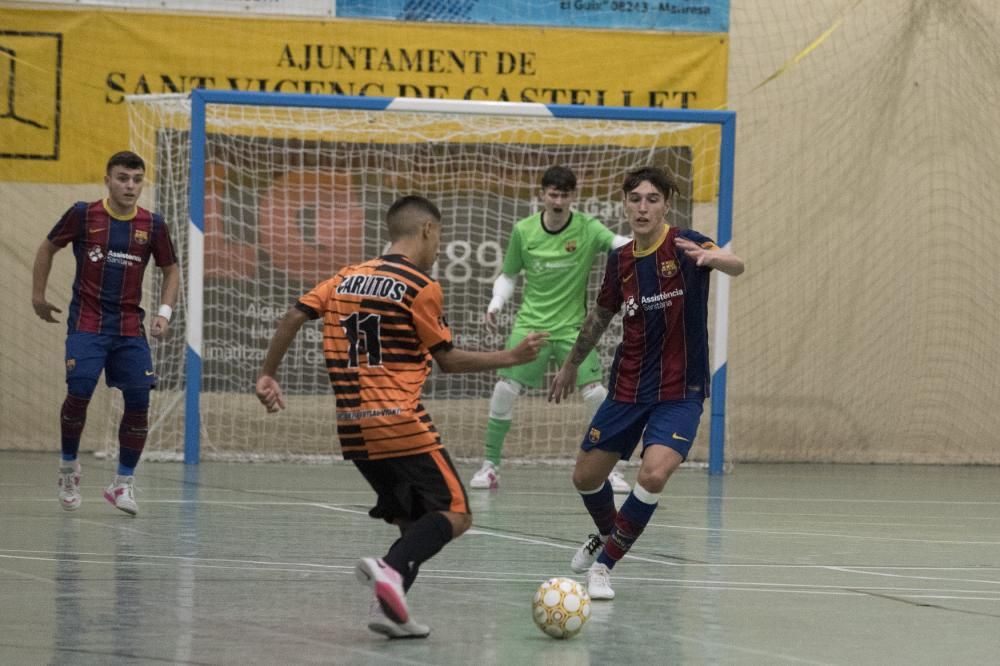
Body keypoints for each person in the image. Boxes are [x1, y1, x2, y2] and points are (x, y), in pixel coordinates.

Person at [255, 195, 547, 639]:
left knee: (415, 524)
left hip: (354, 430)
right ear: (428, 230)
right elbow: (447, 361)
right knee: (456, 513)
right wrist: (511, 356)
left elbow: (294, 315)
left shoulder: (344, 277)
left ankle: (390, 609)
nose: (439, 245)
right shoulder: (419, 286)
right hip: (400, 424)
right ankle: (389, 571)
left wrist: (268, 374)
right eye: (440, 236)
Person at [549, 166, 744, 600]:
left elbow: (738, 264)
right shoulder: (620, 261)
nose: (643, 206)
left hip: (681, 389)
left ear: (665, 205)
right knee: (584, 477)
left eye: (652, 199)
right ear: (625, 204)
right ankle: (608, 534)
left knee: (653, 474)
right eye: (635, 198)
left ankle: (604, 566)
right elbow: (600, 316)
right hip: (628, 387)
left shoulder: (685, 242)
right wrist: (569, 365)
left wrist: (715, 259)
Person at [32, 150, 180, 516]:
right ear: (108, 180)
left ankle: (122, 484)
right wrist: (38, 295)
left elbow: (171, 269)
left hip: (130, 328)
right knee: (79, 391)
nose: (130, 186)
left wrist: (164, 313)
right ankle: (69, 469)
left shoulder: (153, 225)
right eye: (122, 178)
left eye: (136, 179)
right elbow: (48, 247)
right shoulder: (84, 214)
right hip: (87, 323)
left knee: (139, 402)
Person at [470, 165, 632, 492]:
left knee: (597, 395)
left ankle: (609, 470)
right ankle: (490, 466)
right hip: (531, 325)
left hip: (573, 328)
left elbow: (620, 244)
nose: (558, 200)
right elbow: (509, 273)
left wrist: (659, 240)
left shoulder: (587, 228)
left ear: (574, 196)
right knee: (504, 390)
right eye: (553, 194)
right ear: (542, 194)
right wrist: (496, 303)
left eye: (565, 194)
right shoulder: (523, 230)